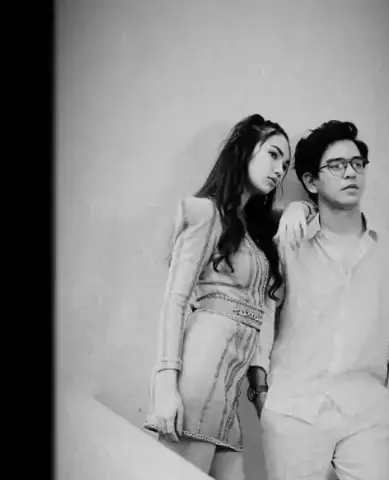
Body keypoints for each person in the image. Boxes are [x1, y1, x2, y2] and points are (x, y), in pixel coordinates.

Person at [247, 120, 389, 480]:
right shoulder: (288, 243)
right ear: (311, 182)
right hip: (293, 409)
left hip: (367, 412)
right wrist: (261, 395)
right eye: (337, 166)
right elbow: (262, 324)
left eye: (357, 164)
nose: (350, 173)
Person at [143, 113, 292, 480]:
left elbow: (264, 314)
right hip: (199, 373)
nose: (279, 170)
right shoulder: (206, 214)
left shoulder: (259, 236)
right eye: (273, 155)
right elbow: (175, 301)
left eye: (286, 164)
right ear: (245, 151)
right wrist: (165, 385)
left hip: (237, 388)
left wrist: (260, 386)